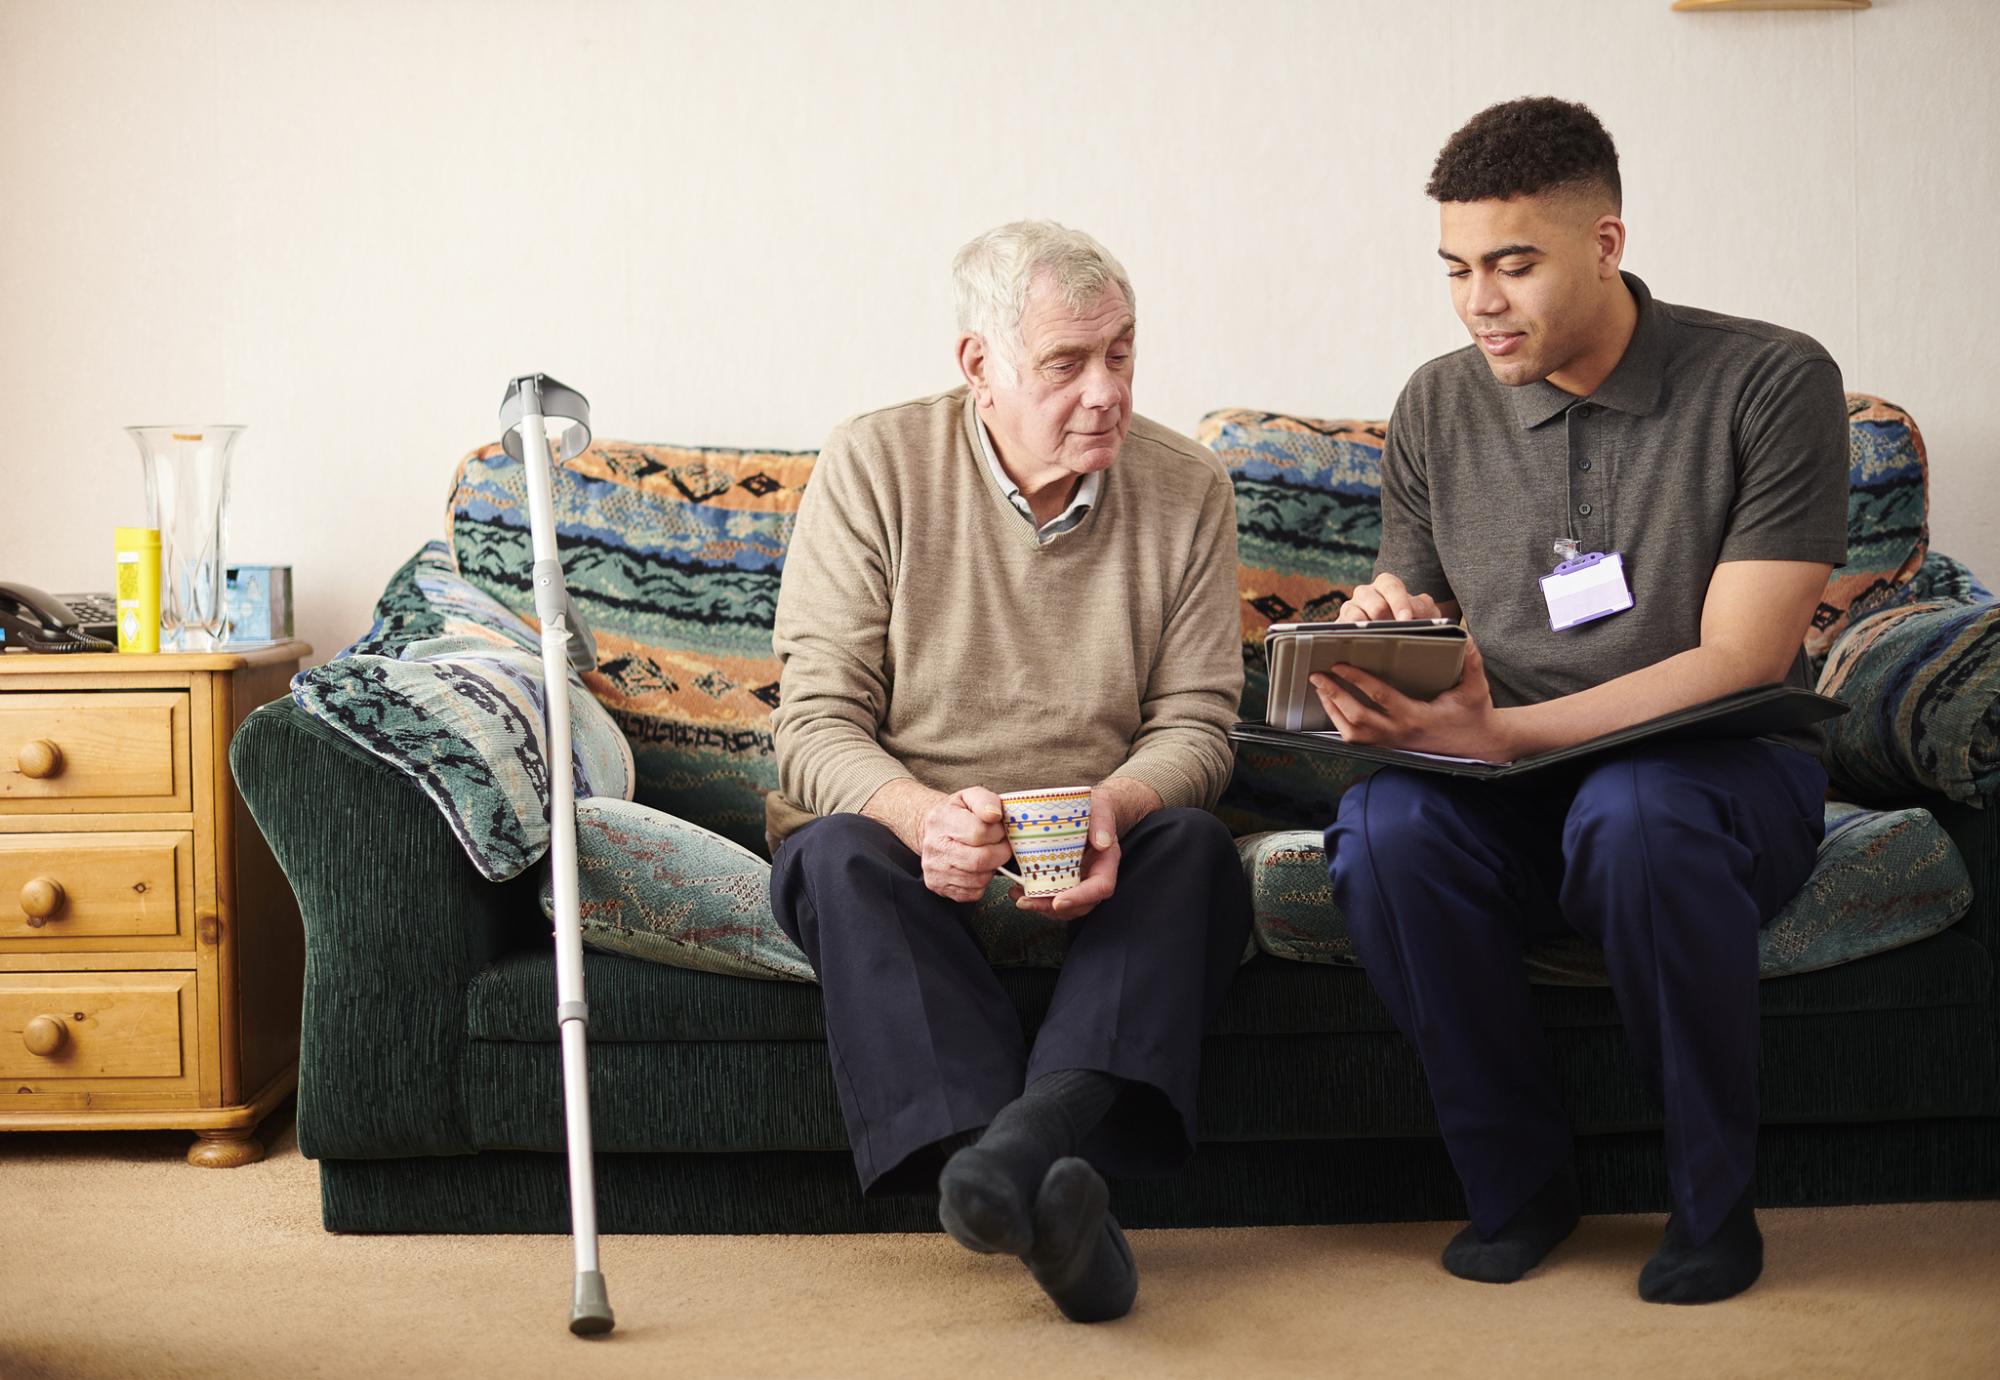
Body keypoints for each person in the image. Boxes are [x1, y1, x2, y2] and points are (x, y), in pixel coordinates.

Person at [1318, 97, 1849, 1305]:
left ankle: (1712, 1211)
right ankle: (1519, 1189)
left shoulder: (1769, 380)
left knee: (1635, 814)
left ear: (1604, 244)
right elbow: (1430, 611)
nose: (1476, 303)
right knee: (1381, 833)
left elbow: (1742, 658)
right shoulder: (1437, 404)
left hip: (1710, 771)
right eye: (1454, 269)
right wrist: (1386, 633)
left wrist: (1502, 732)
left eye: (1512, 264)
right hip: (1507, 774)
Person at [767, 220, 1252, 1323]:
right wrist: (921, 815)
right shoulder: (874, 463)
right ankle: (1039, 1176)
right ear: (977, 367)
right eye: (1064, 364)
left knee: (1195, 848)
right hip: (906, 845)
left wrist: (1115, 804)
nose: (1104, 393)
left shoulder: (1185, 488)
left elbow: (1198, 727)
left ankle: (1008, 1159)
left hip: (1099, 848)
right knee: (831, 853)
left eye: (1119, 354)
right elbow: (811, 725)